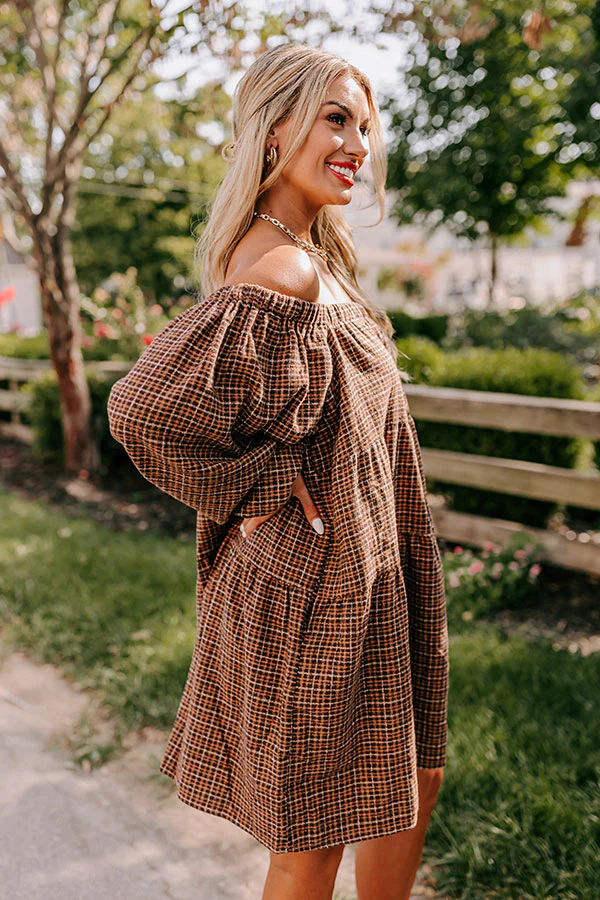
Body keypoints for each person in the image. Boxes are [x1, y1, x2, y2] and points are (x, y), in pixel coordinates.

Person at [107, 42, 449, 900]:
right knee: (313, 838)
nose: (357, 144)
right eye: (336, 119)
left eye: (364, 126)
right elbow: (140, 411)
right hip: (317, 584)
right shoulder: (282, 269)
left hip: (371, 570)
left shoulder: (313, 258)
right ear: (273, 131)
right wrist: (253, 491)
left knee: (404, 786)